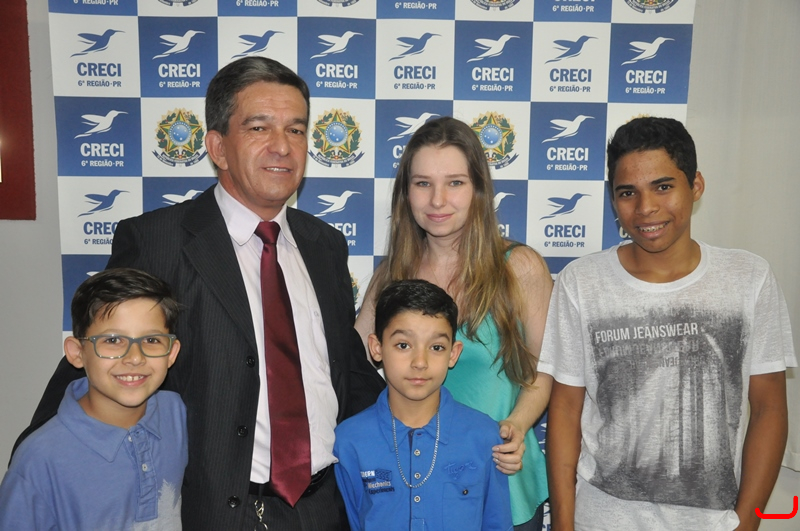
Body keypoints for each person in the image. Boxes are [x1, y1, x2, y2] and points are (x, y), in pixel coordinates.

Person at [13, 57, 385, 530]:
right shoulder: (157, 241)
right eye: (259, 127)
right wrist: (35, 458)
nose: (282, 146)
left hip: (325, 507)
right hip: (217, 513)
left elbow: (346, 369)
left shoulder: (325, 244)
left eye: (295, 129)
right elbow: (102, 350)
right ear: (217, 147)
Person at [541, 117, 797, 531]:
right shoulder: (581, 281)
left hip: (712, 522)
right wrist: (564, 526)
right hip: (600, 519)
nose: (645, 208)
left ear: (695, 186)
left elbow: (769, 408)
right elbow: (566, 409)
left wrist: (746, 522)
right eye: (628, 192)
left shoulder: (749, 278)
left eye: (663, 186)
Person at [355, 116, 552, 529]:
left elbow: (545, 370)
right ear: (406, 192)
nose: (438, 200)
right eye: (423, 183)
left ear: (478, 189)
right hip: (416, 488)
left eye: (455, 183)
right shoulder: (391, 275)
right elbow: (353, 364)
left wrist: (517, 425)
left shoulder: (519, 267)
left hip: (500, 475)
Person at [0, 268, 185, 530]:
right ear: (77, 353)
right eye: (113, 340)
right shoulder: (39, 460)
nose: (135, 357)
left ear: (172, 353)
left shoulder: (178, 415)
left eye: (152, 340)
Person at [335, 279, 513, 530]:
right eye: (403, 345)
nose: (420, 362)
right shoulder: (348, 440)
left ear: (453, 354)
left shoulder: (484, 436)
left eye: (436, 347)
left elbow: (497, 523)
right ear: (377, 348)